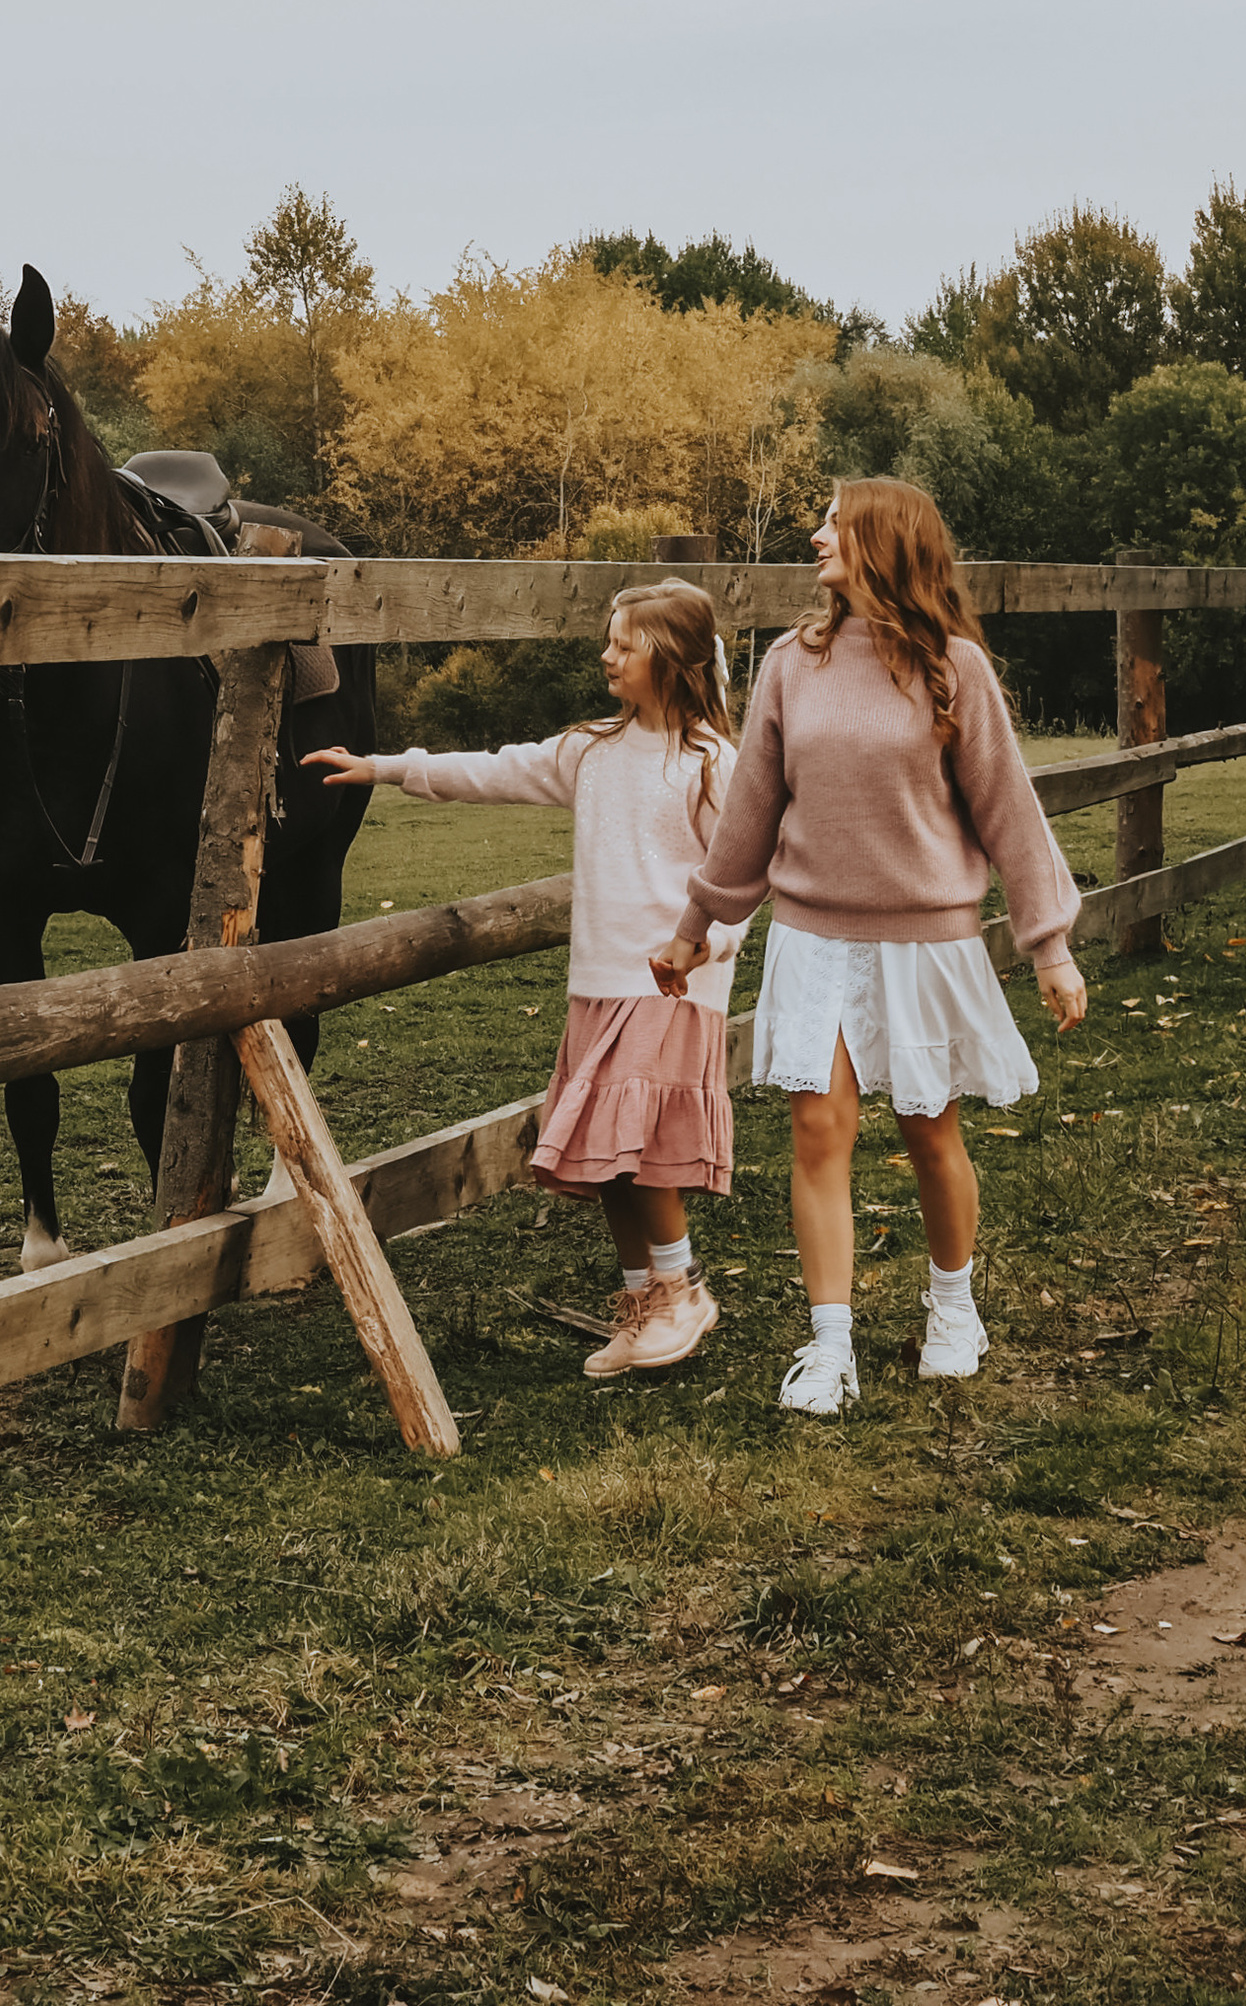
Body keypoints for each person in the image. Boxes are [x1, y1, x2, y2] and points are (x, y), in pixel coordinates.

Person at [656, 479, 1087, 1414]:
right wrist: (697, 929)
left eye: (835, 521)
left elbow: (1012, 813)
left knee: (931, 1132)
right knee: (819, 1131)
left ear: (885, 542)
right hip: (814, 936)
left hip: (925, 944)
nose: (816, 534)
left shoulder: (954, 669)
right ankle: (830, 1346)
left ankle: (953, 1308)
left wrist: (1048, 945)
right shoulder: (788, 664)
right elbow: (750, 816)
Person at [306, 580, 748, 1377]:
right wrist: (383, 767)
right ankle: (642, 1300)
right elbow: (492, 770)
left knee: (639, 1150)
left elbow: (742, 877)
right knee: (605, 1155)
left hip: (672, 987)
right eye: (609, 641)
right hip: (600, 981)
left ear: (674, 659)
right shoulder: (590, 750)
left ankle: (683, 1290)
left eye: (624, 644)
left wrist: (704, 949)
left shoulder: (713, 764)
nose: (606, 655)